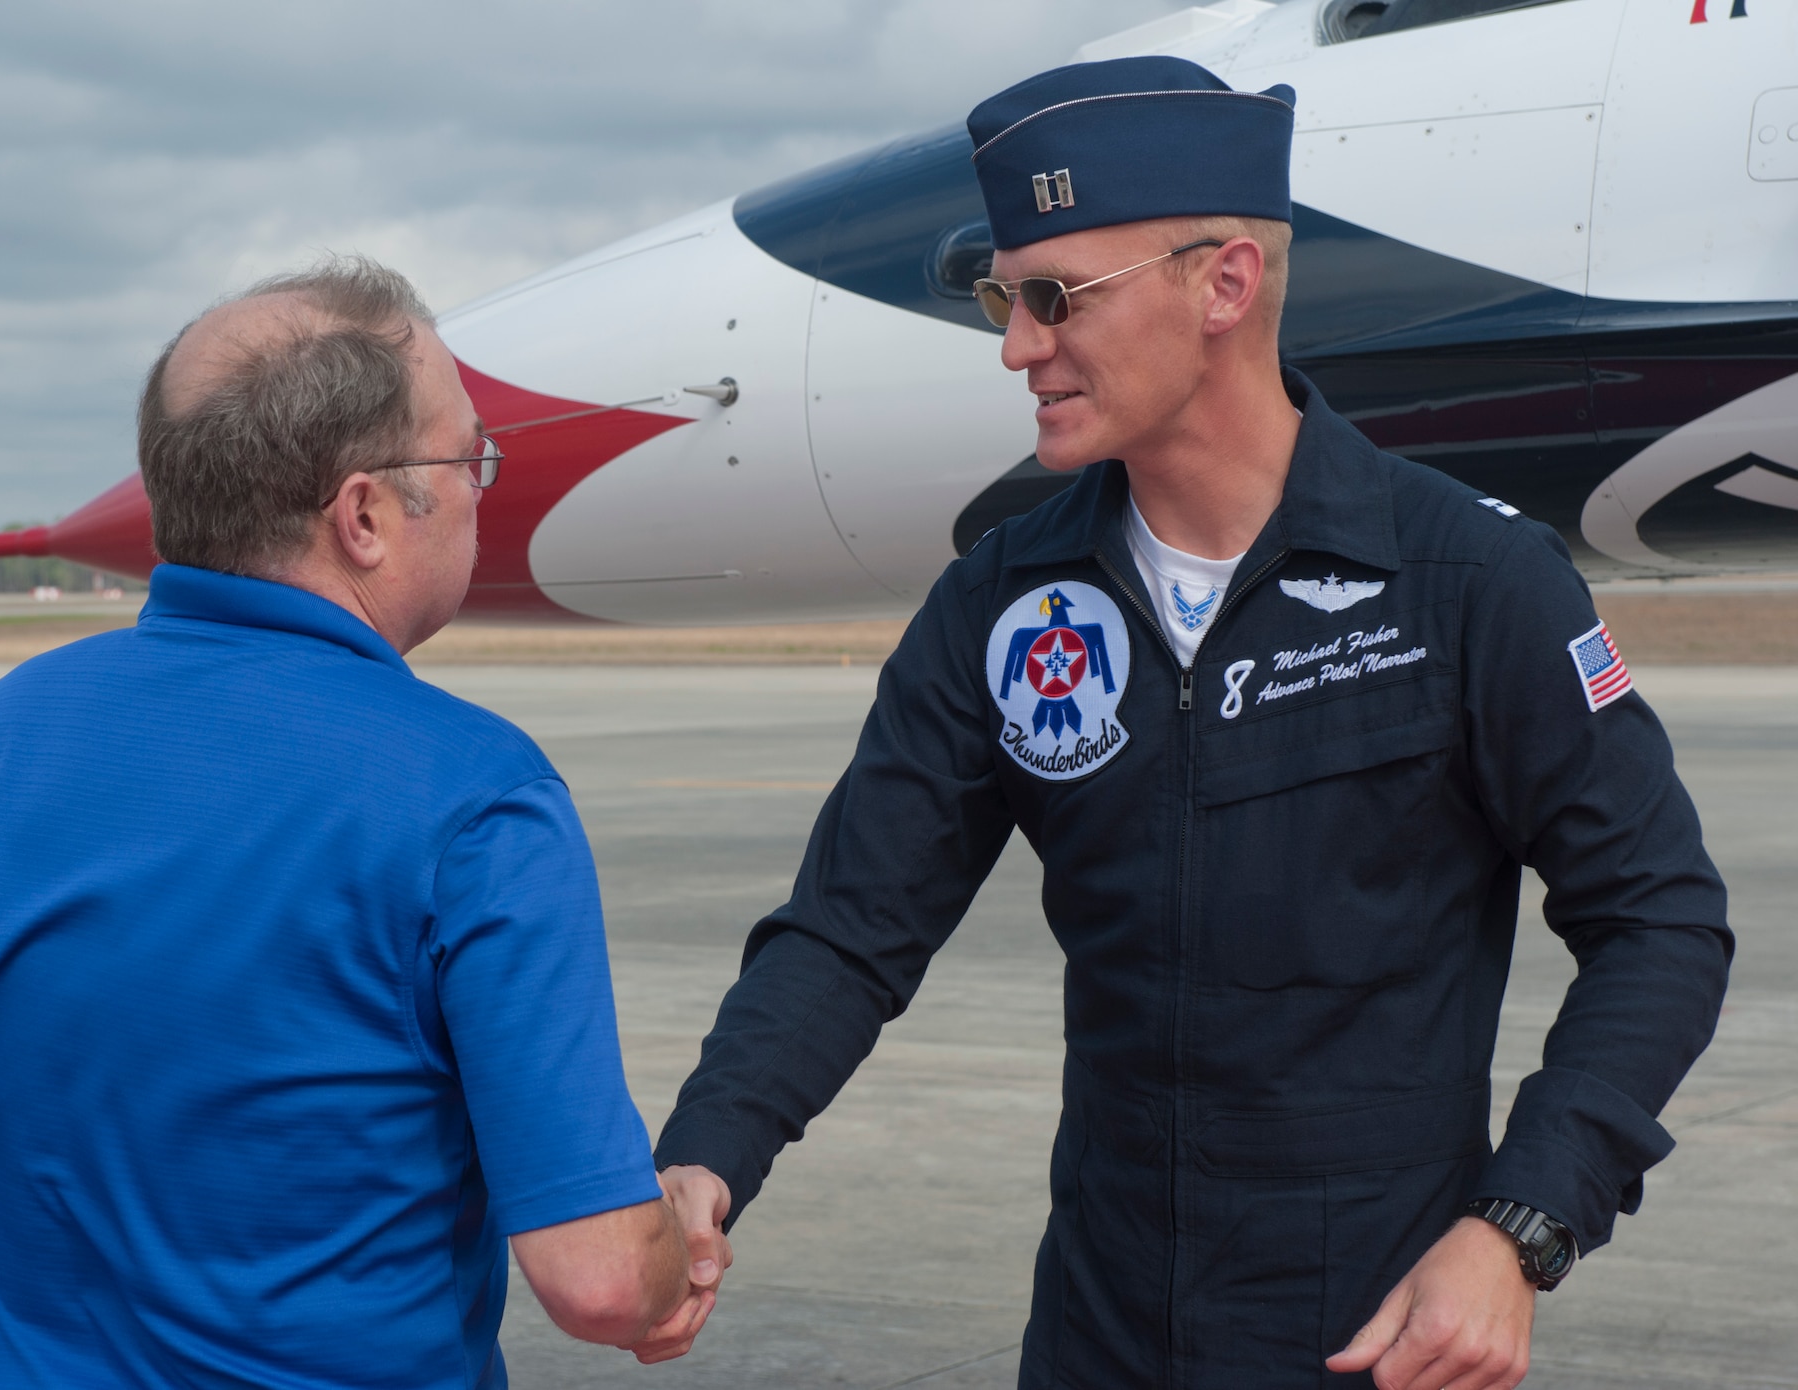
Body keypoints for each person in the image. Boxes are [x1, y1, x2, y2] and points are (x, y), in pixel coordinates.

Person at [647, 57, 1734, 1388]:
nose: (1014, 345)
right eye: (1003, 296)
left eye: (1055, 298)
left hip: (1370, 1338)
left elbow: (1660, 916)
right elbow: (852, 925)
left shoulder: (1467, 583)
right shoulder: (1004, 598)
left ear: (1222, 284)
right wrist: (706, 1156)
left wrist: (1522, 1227)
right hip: (1100, 1328)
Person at [0, 257, 709, 1387]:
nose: (482, 485)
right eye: (468, 455)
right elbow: (602, 1281)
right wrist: (672, 1244)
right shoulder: (474, 794)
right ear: (365, 515)